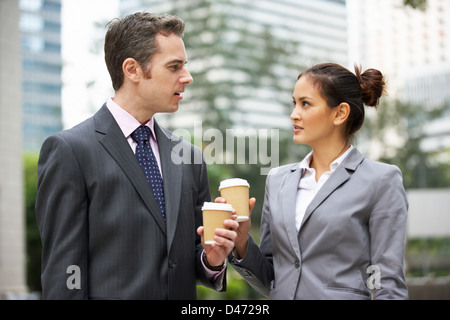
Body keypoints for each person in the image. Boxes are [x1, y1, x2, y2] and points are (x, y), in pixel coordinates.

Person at [35, 12, 238, 300]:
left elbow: (193, 258)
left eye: (185, 66)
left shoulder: (190, 158)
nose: (187, 77)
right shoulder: (70, 151)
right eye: (174, 66)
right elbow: (65, 270)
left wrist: (213, 259)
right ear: (132, 69)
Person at [226, 62, 409, 299]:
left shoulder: (381, 180)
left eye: (305, 104)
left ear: (340, 113)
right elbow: (272, 280)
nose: (294, 114)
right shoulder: (277, 180)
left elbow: (388, 284)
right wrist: (241, 241)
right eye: (294, 103)